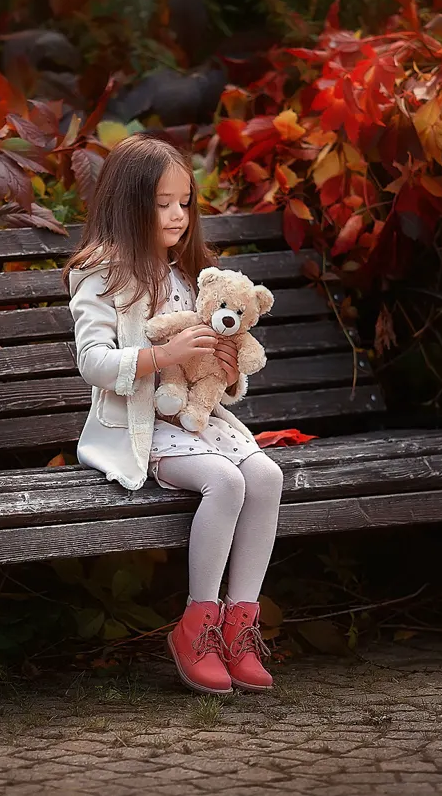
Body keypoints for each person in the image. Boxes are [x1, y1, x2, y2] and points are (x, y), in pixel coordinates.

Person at [62, 133, 283, 694]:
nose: (178, 215)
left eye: (184, 202)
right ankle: (197, 624)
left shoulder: (188, 274)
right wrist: (160, 355)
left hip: (196, 421)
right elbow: (91, 362)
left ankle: (240, 623)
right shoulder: (101, 274)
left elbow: (212, 379)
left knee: (266, 474)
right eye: (162, 203)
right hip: (141, 426)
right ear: (127, 203)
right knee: (225, 482)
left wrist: (229, 371)